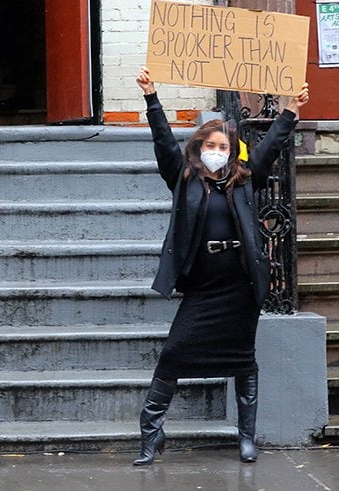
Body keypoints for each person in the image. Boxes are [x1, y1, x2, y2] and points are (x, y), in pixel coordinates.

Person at [133, 67, 310, 466]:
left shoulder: (246, 179)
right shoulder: (183, 178)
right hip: (203, 285)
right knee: (174, 353)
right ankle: (151, 433)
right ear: (199, 148)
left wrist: (290, 110)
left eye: (224, 146)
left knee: (242, 357)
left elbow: (271, 147)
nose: (218, 150)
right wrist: (152, 98)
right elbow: (163, 143)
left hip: (239, 283)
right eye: (210, 144)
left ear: (232, 152)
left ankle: (246, 438)